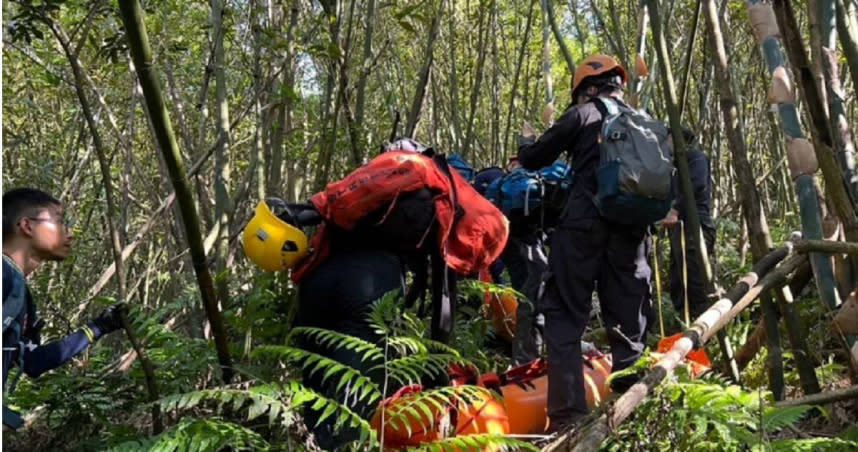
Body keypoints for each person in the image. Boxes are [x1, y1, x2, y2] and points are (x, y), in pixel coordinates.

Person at [517, 54, 652, 432]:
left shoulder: (583, 114)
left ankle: (568, 419)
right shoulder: (642, 121)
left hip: (582, 227)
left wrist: (527, 140)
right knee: (628, 323)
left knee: (563, 317)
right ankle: (632, 415)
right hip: (631, 232)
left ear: (587, 89)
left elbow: (532, 159)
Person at [2, 188, 126, 430]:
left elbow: (33, 362)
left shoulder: (20, 292)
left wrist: (98, 327)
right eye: (60, 222)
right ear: (27, 226)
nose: (70, 234)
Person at [662, 127, 716, 319]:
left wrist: (675, 210)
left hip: (696, 225)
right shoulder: (673, 167)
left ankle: (702, 328)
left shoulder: (695, 158)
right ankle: (683, 324)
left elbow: (697, 185)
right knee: (678, 279)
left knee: (695, 279)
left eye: (667, 139)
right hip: (680, 229)